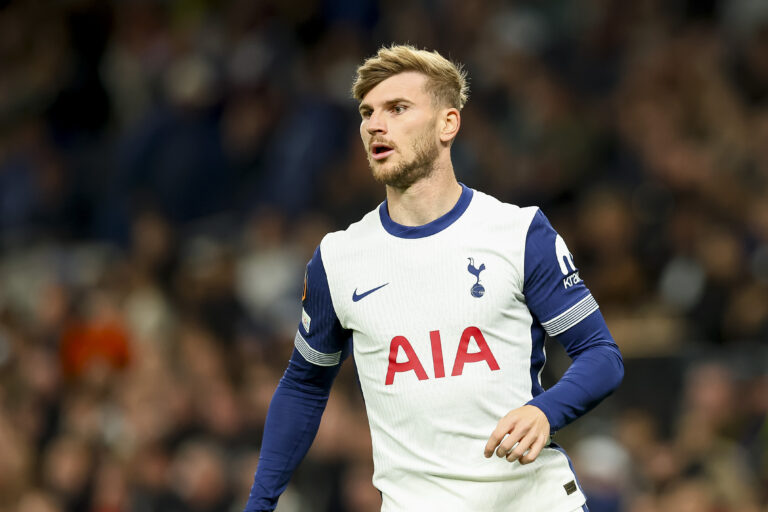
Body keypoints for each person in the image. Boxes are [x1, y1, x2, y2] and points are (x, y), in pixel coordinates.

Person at [244, 44, 624, 512]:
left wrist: (545, 410)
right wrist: (259, 505)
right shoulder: (338, 258)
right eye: (367, 113)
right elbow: (303, 385)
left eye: (397, 108)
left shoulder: (518, 232)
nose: (375, 125)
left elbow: (601, 356)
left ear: (448, 123)